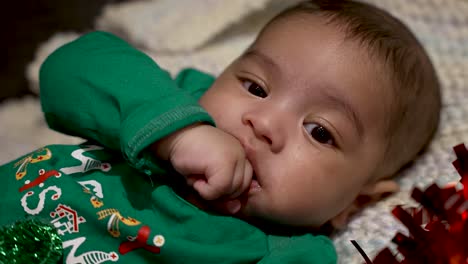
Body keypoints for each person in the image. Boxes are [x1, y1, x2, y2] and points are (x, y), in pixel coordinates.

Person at [0, 0, 440, 263]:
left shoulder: (286, 253)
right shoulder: (175, 102)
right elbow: (68, 66)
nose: (263, 123)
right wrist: (177, 132)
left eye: (320, 132)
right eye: (255, 87)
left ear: (355, 203)